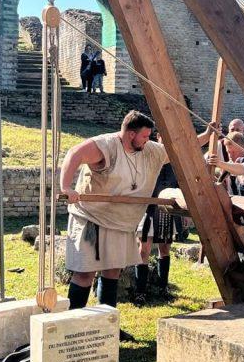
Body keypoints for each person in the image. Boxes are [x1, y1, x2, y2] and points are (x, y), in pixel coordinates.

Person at [60, 110, 169, 309]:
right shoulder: (106, 145)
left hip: (121, 223)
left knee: (112, 272)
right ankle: (73, 320)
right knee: (85, 273)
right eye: (145, 136)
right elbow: (74, 153)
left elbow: (176, 151)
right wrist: (66, 187)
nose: (148, 140)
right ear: (131, 134)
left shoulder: (149, 150)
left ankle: (106, 321)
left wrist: (207, 135)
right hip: (92, 218)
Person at [133, 130, 181, 304]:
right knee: (143, 250)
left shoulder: (176, 160)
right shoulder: (149, 155)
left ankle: (162, 288)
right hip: (147, 209)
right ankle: (140, 292)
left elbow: (180, 185)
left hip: (166, 210)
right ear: (158, 137)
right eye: (163, 137)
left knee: (165, 249)